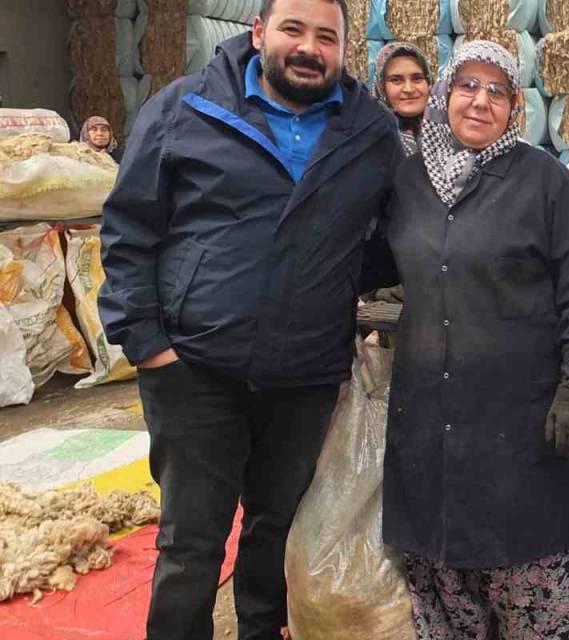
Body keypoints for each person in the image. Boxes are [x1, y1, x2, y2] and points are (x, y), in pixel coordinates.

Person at [98, 0, 401, 637]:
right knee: (191, 543)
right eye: (293, 29)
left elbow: (397, 237)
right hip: (195, 369)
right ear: (259, 31)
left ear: (346, 49)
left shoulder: (369, 132)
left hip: (305, 374)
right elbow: (128, 230)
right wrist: (149, 346)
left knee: (277, 529)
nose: (309, 47)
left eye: (327, 36)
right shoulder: (188, 109)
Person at [370, 40, 569, 639]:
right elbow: (370, 259)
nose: (480, 101)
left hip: (521, 420)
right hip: (430, 415)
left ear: (515, 107)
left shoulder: (546, 182)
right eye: (468, 86)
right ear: (446, 93)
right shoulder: (409, 179)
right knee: (445, 586)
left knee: (528, 574)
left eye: (497, 90)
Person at [372, 41, 431, 154]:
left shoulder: (451, 134)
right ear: (382, 87)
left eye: (417, 78)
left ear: (428, 82)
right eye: (396, 80)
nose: (409, 89)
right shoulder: (371, 142)